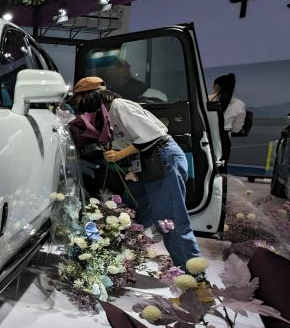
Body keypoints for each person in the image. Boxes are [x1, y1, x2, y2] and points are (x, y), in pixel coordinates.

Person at [69, 76, 202, 269]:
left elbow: (152, 137)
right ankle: (107, 260)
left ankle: (195, 274)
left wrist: (119, 154)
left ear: (90, 95)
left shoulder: (120, 106)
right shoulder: (104, 114)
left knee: (170, 219)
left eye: (79, 98)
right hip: (146, 163)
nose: (78, 104)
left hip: (162, 159)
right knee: (127, 212)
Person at [209, 73, 246, 162]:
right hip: (224, 139)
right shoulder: (239, 104)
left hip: (206, 136)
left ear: (216, 86)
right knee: (222, 166)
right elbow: (236, 129)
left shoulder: (206, 99)